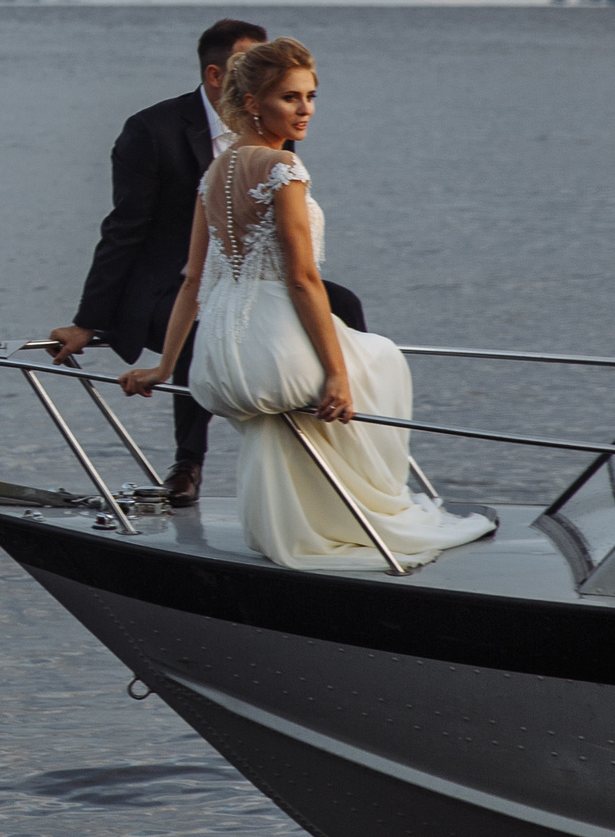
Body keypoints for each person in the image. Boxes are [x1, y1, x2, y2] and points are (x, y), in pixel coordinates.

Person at [119, 38, 491, 570]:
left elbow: (192, 281)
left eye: (311, 96)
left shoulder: (213, 174)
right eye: (290, 98)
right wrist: (336, 375)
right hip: (273, 341)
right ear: (251, 101)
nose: (306, 110)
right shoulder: (283, 169)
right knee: (382, 360)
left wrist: (165, 365)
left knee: (357, 368)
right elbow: (302, 280)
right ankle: (360, 514)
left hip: (222, 350)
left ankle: (309, 519)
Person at [48, 19, 365, 507]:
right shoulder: (151, 131)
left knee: (343, 304)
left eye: (306, 94)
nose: (300, 105)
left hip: (239, 277)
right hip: (162, 286)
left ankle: (332, 433)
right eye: (252, 67)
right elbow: (123, 229)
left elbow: (276, 237)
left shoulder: (273, 135)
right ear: (219, 76)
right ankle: (188, 461)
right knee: (208, 325)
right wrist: (88, 321)